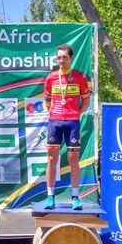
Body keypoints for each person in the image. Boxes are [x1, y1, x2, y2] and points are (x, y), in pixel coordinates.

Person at [44, 44, 90, 210]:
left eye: (64, 57)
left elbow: (86, 101)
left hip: (72, 122)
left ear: (71, 58)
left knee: (73, 159)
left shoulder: (81, 77)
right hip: (54, 122)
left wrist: (76, 114)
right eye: (59, 57)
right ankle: (50, 197)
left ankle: (75, 197)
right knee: (51, 159)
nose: (61, 60)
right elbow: (47, 101)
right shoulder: (50, 78)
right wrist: (54, 114)